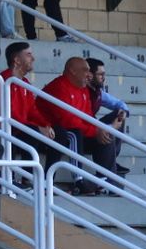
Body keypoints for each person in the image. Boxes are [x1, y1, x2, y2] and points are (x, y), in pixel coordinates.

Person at [42, 56, 119, 188]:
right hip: (51, 133)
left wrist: (99, 130)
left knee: (105, 137)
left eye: (90, 71)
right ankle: (78, 180)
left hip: (72, 131)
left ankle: (105, 182)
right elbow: (67, 121)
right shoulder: (59, 87)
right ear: (72, 71)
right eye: (85, 70)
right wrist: (95, 131)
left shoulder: (83, 89)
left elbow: (87, 116)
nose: (89, 75)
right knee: (74, 134)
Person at [86, 59, 130, 137]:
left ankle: (115, 149)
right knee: (107, 132)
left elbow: (118, 103)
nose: (104, 78)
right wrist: (110, 127)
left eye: (104, 74)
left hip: (94, 126)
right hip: (86, 130)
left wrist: (123, 112)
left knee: (119, 113)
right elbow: (87, 120)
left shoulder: (98, 92)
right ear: (90, 75)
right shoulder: (83, 92)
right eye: (100, 74)